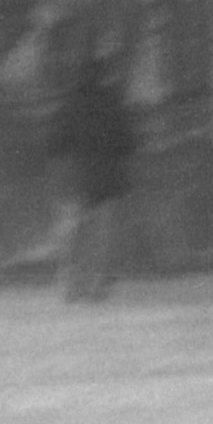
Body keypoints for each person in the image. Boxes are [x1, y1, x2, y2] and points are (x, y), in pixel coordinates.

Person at [50, 45, 135, 303]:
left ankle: (71, 287)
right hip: (106, 182)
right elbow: (127, 143)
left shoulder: (69, 104)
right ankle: (97, 287)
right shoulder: (112, 102)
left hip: (75, 180)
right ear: (103, 75)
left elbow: (55, 144)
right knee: (101, 238)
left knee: (73, 237)